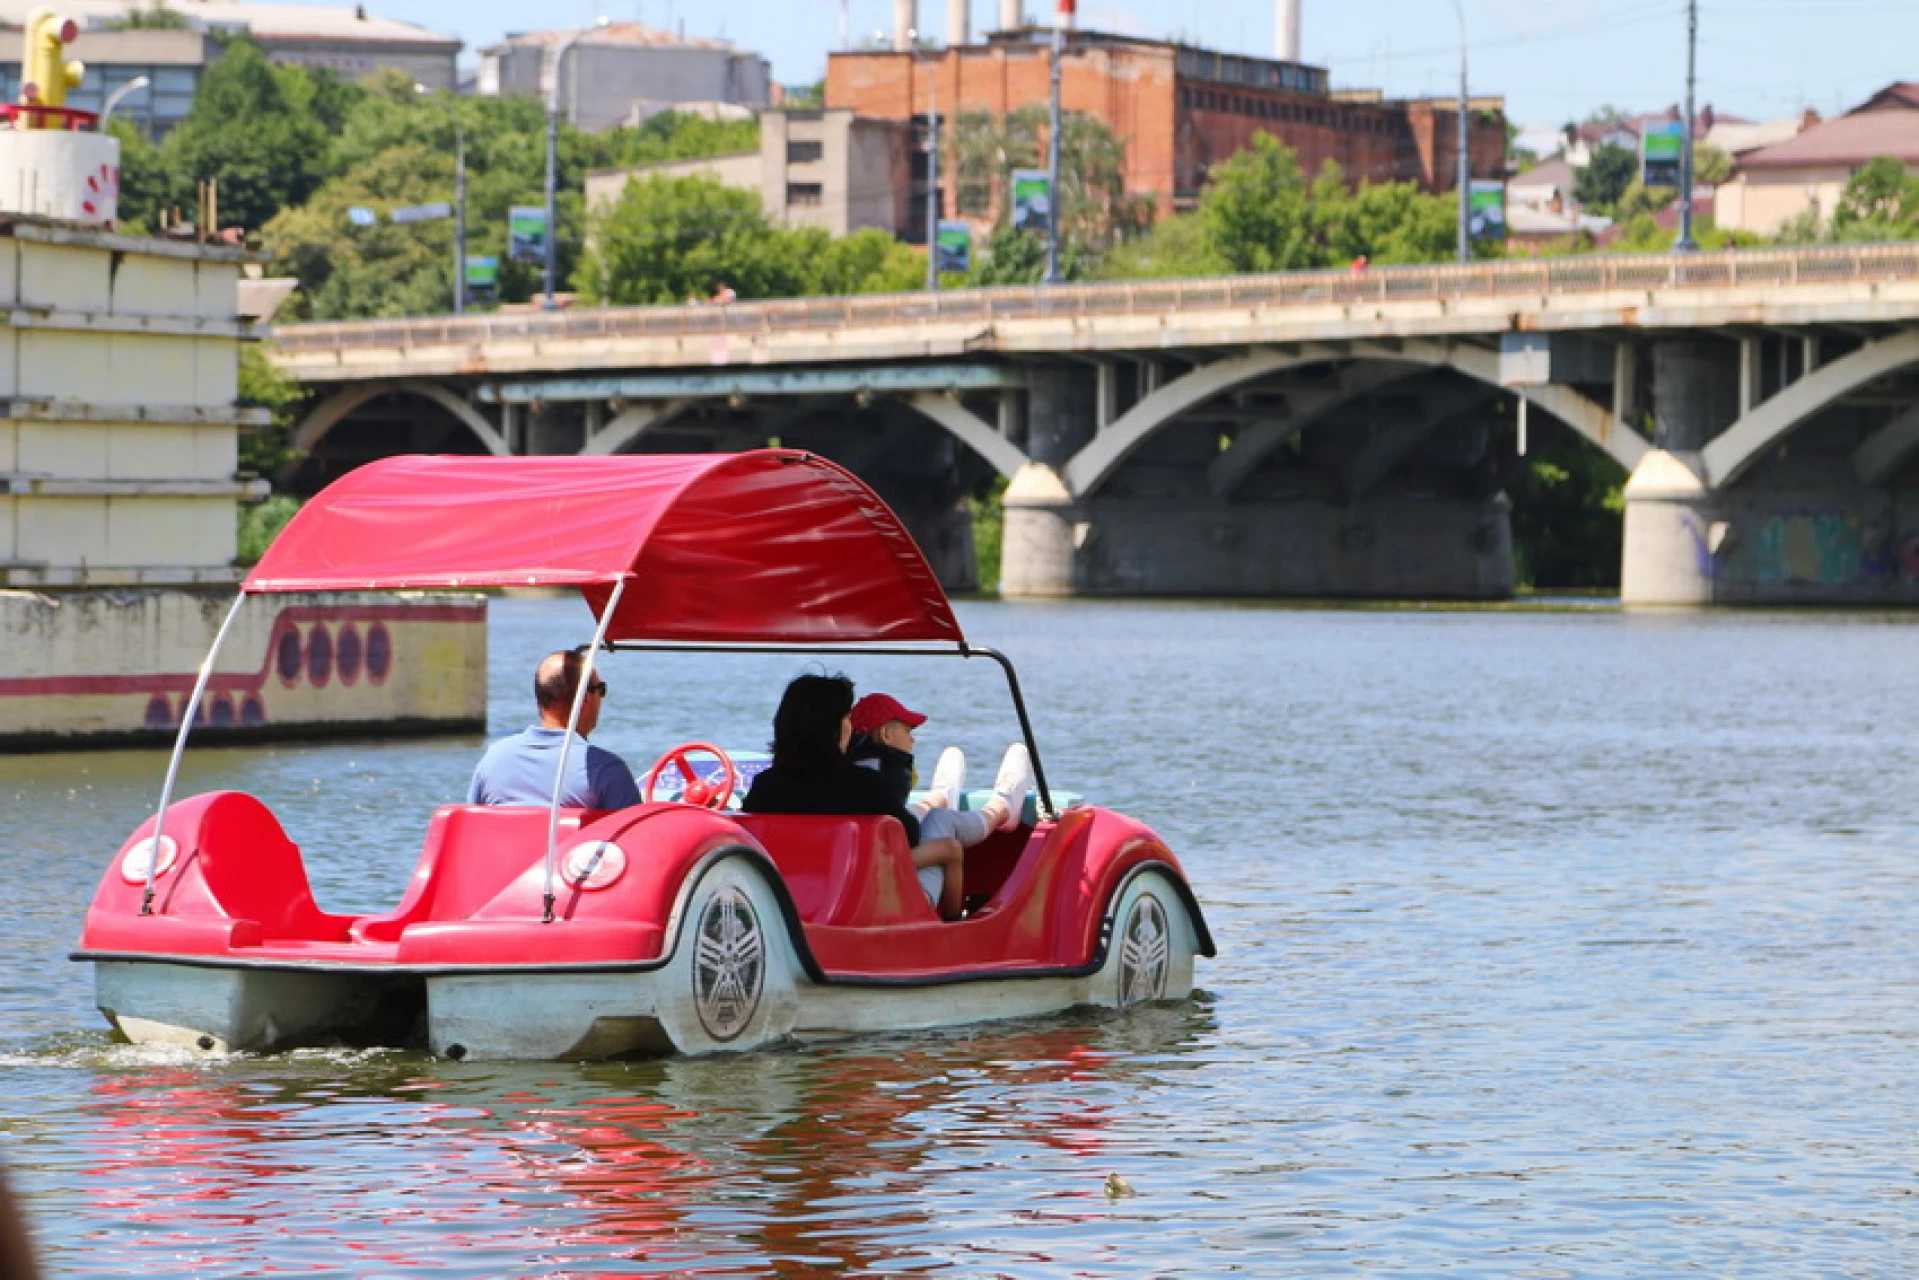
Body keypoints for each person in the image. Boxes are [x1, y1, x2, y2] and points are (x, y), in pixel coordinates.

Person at [741, 673, 969, 919]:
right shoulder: (864, 785)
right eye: (847, 717)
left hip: (788, 911)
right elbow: (910, 835)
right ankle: (952, 924)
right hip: (864, 908)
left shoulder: (764, 787)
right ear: (834, 728)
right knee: (945, 838)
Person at [847, 692, 1033, 850]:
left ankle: (942, 797)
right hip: (889, 868)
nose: (913, 741)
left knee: (910, 813)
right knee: (941, 819)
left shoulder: (845, 772)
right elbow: (906, 833)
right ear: (886, 734)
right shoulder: (884, 778)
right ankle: (1002, 807)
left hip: (864, 854)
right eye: (908, 731)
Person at [468, 649, 641, 809]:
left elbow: (470, 825)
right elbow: (634, 838)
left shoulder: (494, 760)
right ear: (586, 698)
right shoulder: (606, 770)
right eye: (601, 689)